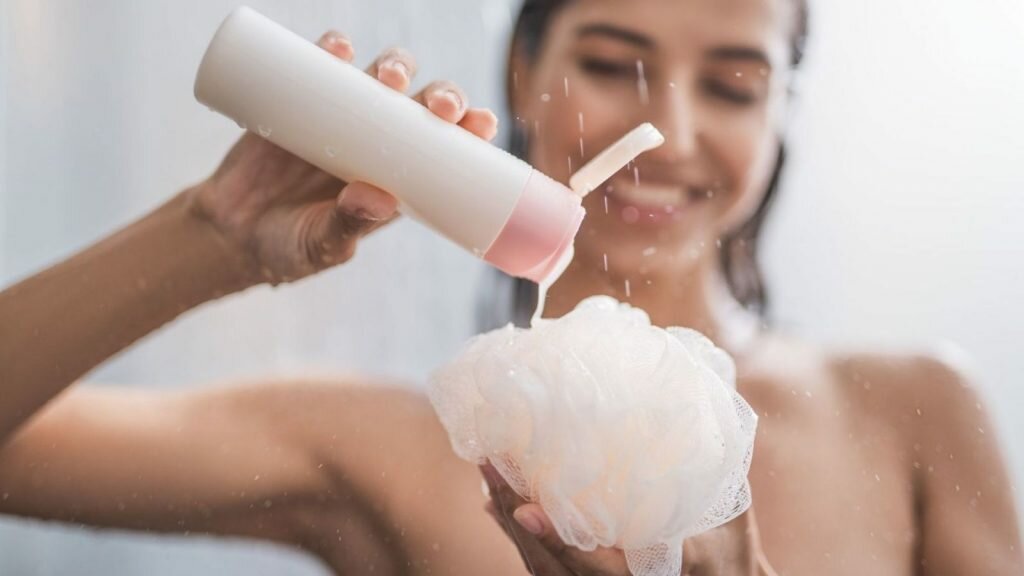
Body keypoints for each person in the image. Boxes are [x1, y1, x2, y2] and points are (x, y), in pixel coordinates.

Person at [1, 0, 1021, 574]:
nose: (665, 124)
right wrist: (212, 236)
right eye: (614, 62)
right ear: (525, 73)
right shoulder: (386, 450)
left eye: (730, 84)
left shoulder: (909, 415)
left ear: (781, 118)